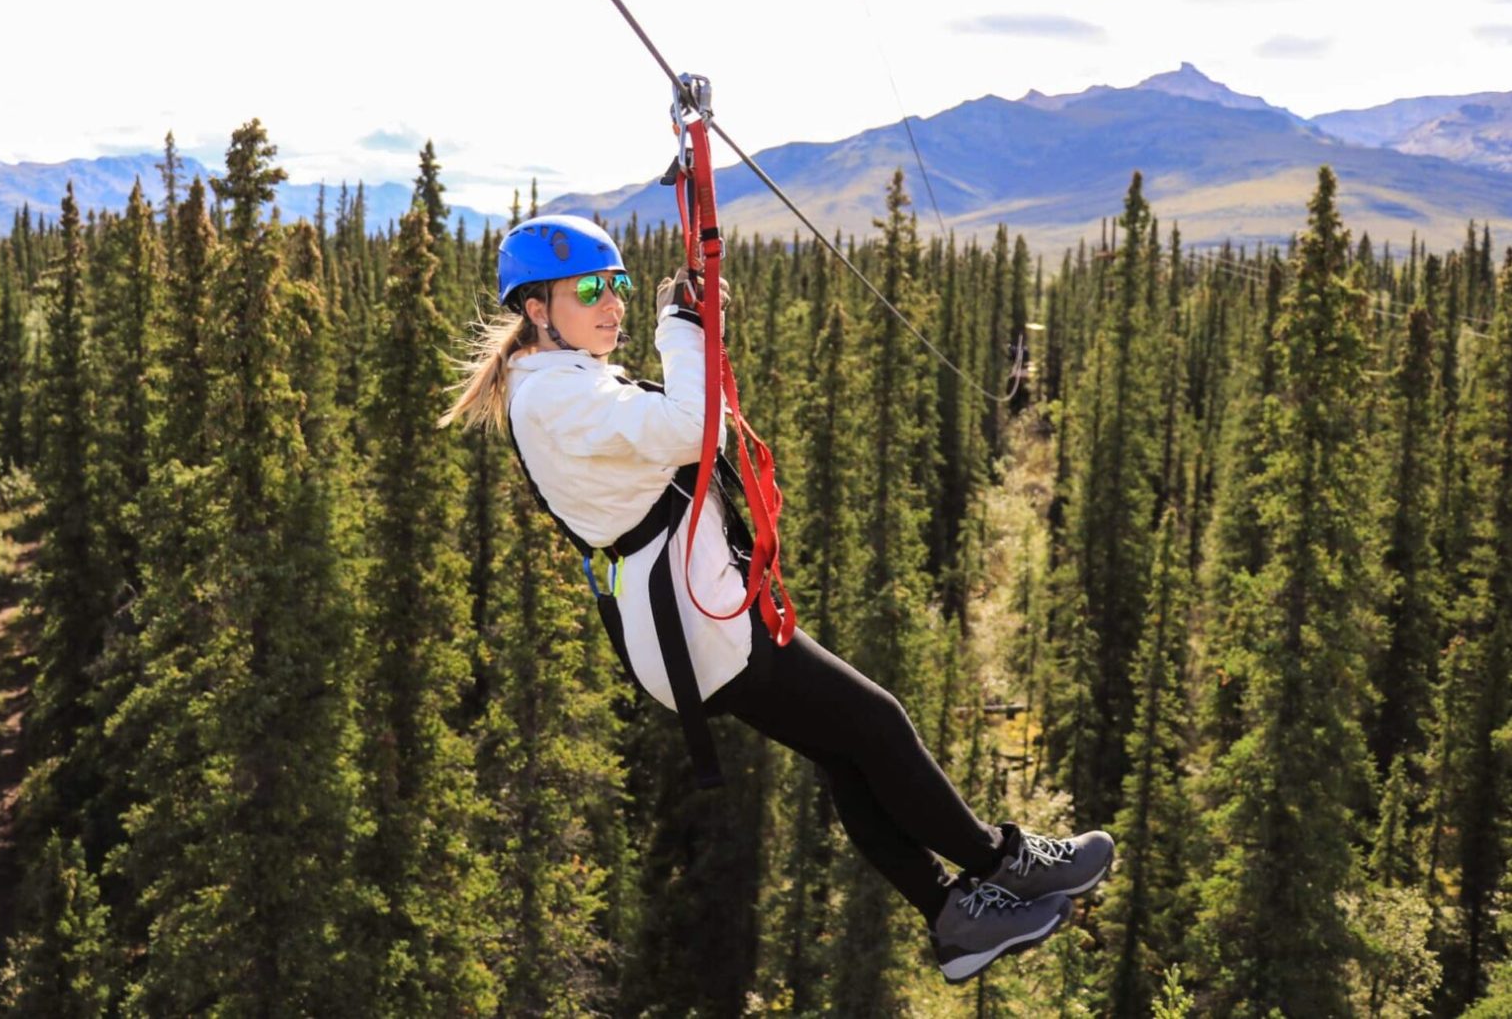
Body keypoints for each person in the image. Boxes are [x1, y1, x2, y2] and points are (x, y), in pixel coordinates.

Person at [440, 214, 1113, 985]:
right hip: (699, 628)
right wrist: (680, 325)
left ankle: (955, 915)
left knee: (848, 751)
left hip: (696, 615)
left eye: (619, 286)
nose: (613, 302)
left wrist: (683, 320)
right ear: (535, 309)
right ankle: (1005, 864)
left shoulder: (562, 378)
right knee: (874, 723)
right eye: (590, 289)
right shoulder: (553, 397)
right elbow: (698, 430)